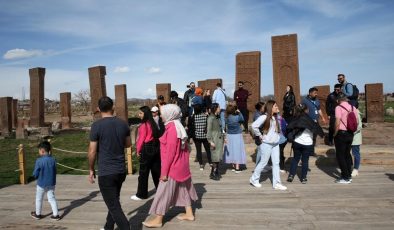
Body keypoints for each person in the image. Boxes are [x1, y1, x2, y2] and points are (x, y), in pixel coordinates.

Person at [142, 104, 198, 228]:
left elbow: (170, 153)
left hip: (173, 167)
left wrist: (164, 172)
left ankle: (158, 220)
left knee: (163, 193)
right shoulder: (178, 126)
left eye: (162, 112)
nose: (161, 115)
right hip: (181, 166)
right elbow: (185, 149)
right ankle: (189, 213)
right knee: (183, 189)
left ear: (170, 114)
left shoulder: (172, 128)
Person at [88, 96, 131, 230]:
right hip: (120, 170)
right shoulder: (123, 123)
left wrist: (91, 169)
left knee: (113, 205)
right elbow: (128, 144)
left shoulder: (96, 126)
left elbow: (92, 151)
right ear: (113, 107)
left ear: (98, 109)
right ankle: (108, 226)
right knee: (114, 200)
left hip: (106, 171)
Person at [249, 100, 287, 190]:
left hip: (275, 144)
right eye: (275, 106)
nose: (277, 107)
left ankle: (277, 183)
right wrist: (260, 136)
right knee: (263, 162)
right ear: (271, 108)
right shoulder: (264, 117)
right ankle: (254, 179)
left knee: (276, 163)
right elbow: (253, 126)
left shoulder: (276, 117)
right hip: (266, 144)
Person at [131, 106, 164, 201]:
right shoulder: (152, 123)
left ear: (145, 114)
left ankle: (141, 194)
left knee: (143, 173)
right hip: (156, 148)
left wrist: (138, 150)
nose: (139, 115)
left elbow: (141, 139)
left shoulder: (144, 125)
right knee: (156, 172)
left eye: (141, 113)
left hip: (147, 149)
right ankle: (161, 191)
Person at [286, 103, 324, 184]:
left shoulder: (295, 118)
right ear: (306, 110)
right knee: (305, 161)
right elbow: (319, 130)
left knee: (295, 159)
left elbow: (289, 127)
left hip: (297, 141)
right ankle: (303, 178)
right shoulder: (311, 119)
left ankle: (291, 175)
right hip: (307, 143)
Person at [30, 141, 60, 221]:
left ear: (42, 151)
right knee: (52, 198)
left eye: (39, 150)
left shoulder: (39, 161)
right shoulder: (53, 160)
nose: (39, 152)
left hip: (41, 183)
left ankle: (38, 214)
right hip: (51, 183)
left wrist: (34, 176)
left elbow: (35, 173)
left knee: (39, 199)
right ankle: (56, 215)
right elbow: (55, 170)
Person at [334, 93, 359, 184]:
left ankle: (345, 177)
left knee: (340, 156)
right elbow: (356, 121)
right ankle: (349, 174)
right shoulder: (353, 108)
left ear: (338, 100)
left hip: (341, 133)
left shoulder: (338, 108)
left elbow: (337, 121)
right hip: (350, 133)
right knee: (347, 154)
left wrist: (335, 133)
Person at [223, 102, 247, 173]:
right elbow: (242, 120)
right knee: (237, 150)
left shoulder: (226, 118)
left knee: (231, 150)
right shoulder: (237, 117)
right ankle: (237, 167)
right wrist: (239, 112)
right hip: (237, 135)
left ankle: (233, 166)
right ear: (234, 110)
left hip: (230, 135)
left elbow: (225, 124)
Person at [188, 104, 212, 170]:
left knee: (198, 150)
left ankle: (201, 164)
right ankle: (210, 163)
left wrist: (190, 137)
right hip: (205, 136)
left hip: (196, 136)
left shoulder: (192, 117)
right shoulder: (206, 116)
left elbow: (190, 128)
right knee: (208, 150)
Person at [302, 87, 326, 152]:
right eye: (315, 93)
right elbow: (302, 110)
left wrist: (323, 117)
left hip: (316, 121)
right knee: (308, 136)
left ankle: (312, 151)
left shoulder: (317, 100)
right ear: (310, 93)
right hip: (308, 122)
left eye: (316, 93)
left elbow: (319, 109)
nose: (316, 94)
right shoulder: (304, 100)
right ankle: (307, 151)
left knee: (314, 136)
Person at [206, 103, 224, 180]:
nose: (220, 109)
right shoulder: (211, 118)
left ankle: (216, 172)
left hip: (219, 139)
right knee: (215, 157)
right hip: (214, 139)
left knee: (218, 157)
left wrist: (224, 137)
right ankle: (213, 173)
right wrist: (210, 141)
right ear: (215, 108)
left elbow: (220, 128)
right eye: (219, 107)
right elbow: (209, 130)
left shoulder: (217, 117)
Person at [351, 109, 363, 177]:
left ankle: (356, 169)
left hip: (355, 138)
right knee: (346, 153)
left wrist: (351, 132)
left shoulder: (356, 112)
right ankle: (350, 166)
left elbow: (359, 126)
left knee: (355, 153)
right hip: (348, 137)